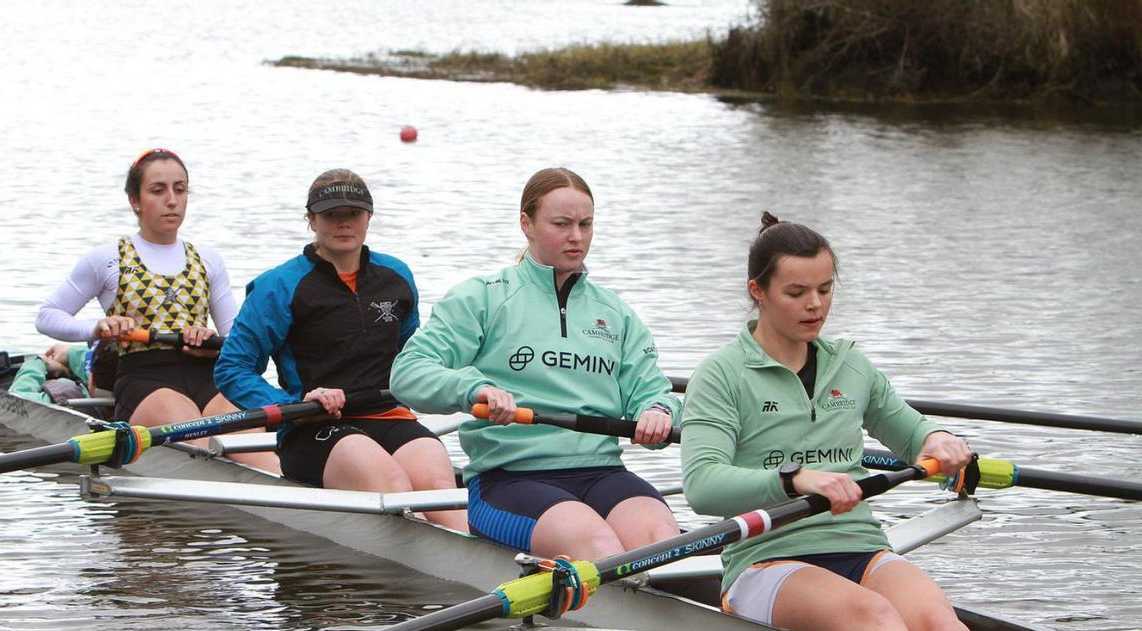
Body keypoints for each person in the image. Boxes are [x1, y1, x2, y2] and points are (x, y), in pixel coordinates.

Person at [680, 212, 1029, 631]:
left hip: (860, 545)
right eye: (797, 293)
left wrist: (937, 442)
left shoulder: (851, 365)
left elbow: (911, 432)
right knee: (876, 614)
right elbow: (703, 485)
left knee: (943, 629)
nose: (815, 305)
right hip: (767, 560)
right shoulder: (721, 375)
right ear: (757, 292)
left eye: (825, 289)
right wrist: (792, 479)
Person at [390, 167, 681, 561]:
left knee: (661, 540)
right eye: (561, 224)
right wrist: (474, 389)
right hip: (509, 478)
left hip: (602, 472)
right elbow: (408, 373)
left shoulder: (615, 313)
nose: (576, 237)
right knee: (597, 545)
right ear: (526, 223)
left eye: (585, 224)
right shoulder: (483, 299)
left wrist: (659, 411)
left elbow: (650, 388)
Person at [214, 169, 465, 531]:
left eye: (353, 214)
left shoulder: (396, 276)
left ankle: (485, 565)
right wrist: (290, 407)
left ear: (369, 218)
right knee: (393, 486)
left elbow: (413, 359)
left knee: (441, 489)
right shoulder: (278, 286)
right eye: (331, 215)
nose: (343, 224)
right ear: (311, 220)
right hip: (313, 426)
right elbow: (232, 368)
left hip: (388, 415)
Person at [34, 148, 278, 472]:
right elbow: (47, 315)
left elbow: (236, 337)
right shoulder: (108, 258)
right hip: (145, 377)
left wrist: (210, 343)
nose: (172, 200)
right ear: (136, 200)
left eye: (180, 189)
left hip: (207, 374)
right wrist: (97, 327)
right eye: (158, 190)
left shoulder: (208, 260)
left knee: (253, 444)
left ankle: (296, 499)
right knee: (201, 444)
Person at [8, 343, 90, 404]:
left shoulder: (69, 393)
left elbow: (16, 398)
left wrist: (39, 362)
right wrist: (70, 353)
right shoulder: (100, 383)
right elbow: (98, 363)